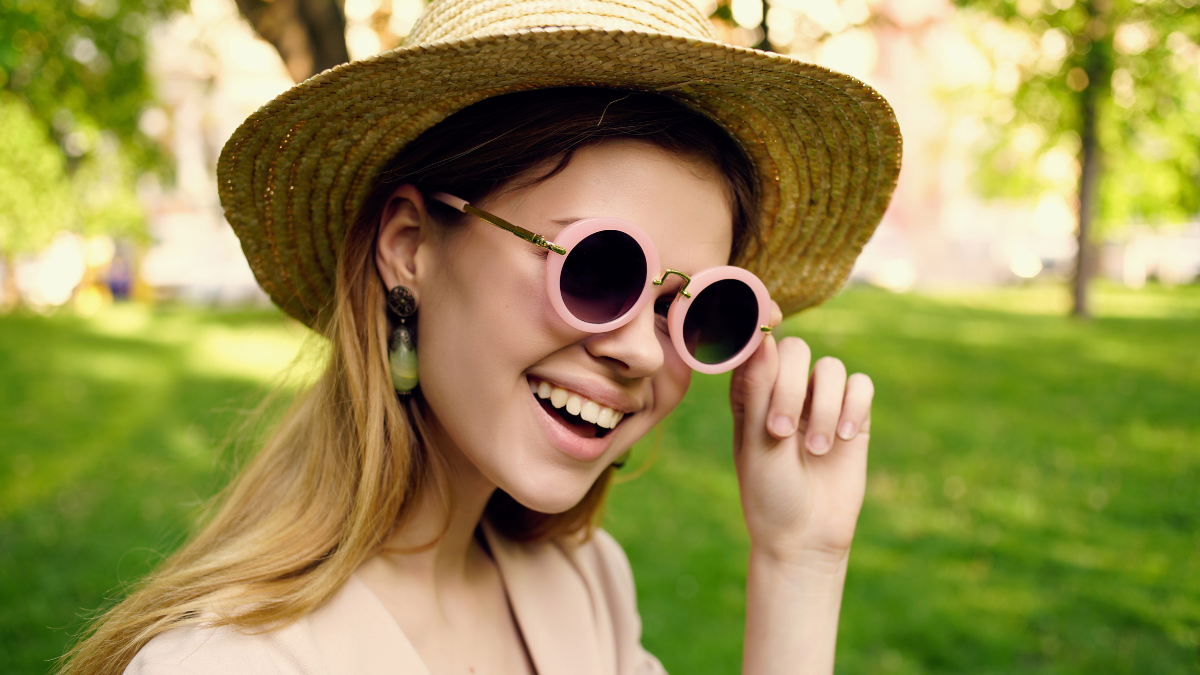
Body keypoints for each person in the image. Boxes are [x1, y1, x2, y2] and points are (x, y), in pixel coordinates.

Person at [63, 0, 901, 673]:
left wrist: (800, 562)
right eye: (598, 267)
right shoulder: (222, 663)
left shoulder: (586, 584)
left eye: (693, 307)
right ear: (410, 247)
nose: (641, 351)